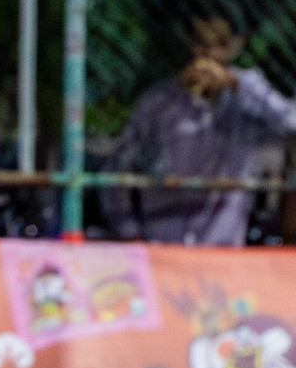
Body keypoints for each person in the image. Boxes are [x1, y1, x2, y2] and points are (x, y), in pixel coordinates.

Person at [103, 14, 296, 245]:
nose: (210, 55)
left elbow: (290, 124)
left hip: (222, 248)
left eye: (221, 44)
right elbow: (118, 170)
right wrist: (130, 232)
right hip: (160, 245)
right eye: (202, 44)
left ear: (239, 43)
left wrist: (239, 86)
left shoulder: (248, 98)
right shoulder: (158, 103)